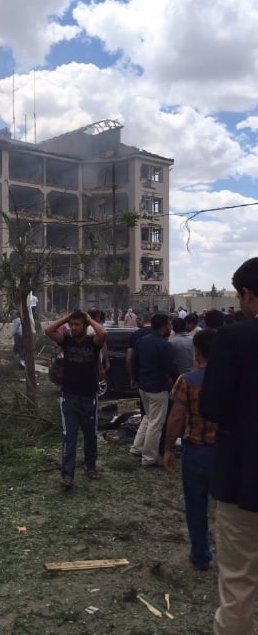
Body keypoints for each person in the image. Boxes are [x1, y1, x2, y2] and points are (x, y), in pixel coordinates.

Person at [199, 257, 258, 635]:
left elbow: (213, 407)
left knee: (238, 581)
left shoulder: (236, 338)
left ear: (249, 295)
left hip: (243, 477)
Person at [163, 329, 218, 570]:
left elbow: (176, 419)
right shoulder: (236, 379)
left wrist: (166, 449)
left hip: (196, 451)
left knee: (196, 506)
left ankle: (200, 555)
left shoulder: (187, 380)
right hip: (228, 454)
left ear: (196, 351)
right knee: (231, 508)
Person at [45, 309, 107, 489]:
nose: (73, 327)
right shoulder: (66, 341)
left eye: (77, 324)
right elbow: (48, 330)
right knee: (69, 437)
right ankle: (67, 475)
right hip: (69, 397)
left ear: (85, 325)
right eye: (71, 325)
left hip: (89, 397)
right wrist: (67, 317)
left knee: (90, 436)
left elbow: (102, 333)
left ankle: (90, 466)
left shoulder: (92, 342)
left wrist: (88, 318)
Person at [129, 314, 177, 467]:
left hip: (143, 386)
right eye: (169, 325)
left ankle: (137, 448)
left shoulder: (142, 341)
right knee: (156, 423)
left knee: (148, 418)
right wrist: (173, 381)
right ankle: (149, 458)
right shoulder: (164, 345)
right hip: (158, 387)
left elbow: (134, 361)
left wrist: (135, 378)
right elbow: (172, 368)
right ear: (164, 326)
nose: (170, 328)